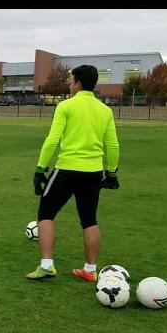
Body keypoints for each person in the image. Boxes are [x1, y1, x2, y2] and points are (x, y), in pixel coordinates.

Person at [26, 65, 120, 282]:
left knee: (45, 214)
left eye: (71, 82)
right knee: (89, 220)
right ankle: (90, 269)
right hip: (94, 172)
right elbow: (112, 144)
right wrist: (112, 172)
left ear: (78, 83)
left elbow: (52, 139)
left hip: (67, 169)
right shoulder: (105, 110)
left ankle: (47, 265)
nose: (70, 85)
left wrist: (41, 169)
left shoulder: (66, 106)